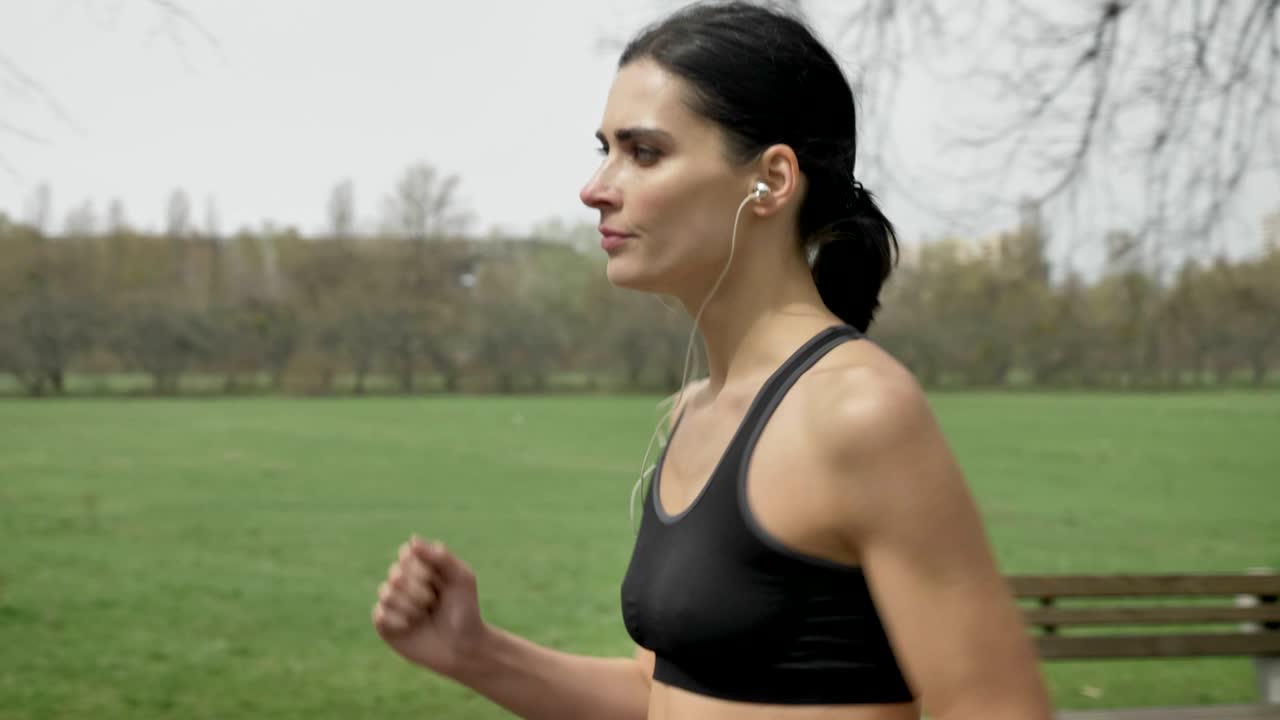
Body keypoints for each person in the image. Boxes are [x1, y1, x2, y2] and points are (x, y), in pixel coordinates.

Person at [371, 2, 1054, 718]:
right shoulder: (694, 411)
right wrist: (478, 653)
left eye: (644, 152)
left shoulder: (857, 413)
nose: (595, 187)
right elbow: (656, 698)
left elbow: (997, 708)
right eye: (602, 148)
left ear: (772, 181)